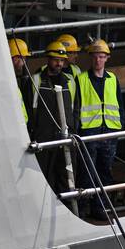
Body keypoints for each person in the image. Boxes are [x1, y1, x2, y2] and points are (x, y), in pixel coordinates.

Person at [76, 39, 125, 221]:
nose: (98, 60)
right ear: (91, 58)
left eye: (102, 57)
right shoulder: (81, 79)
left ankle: (99, 207)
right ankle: (81, 208)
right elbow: (77, 107)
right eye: (96, 57)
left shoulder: (112, 79)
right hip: (89, 132)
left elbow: (120, 105)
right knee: (86, 172)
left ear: (107, 58)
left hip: (109, 132)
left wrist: (121, 126)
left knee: (104, 172)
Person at [30, 40, 80, 200]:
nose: (59, 63)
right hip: (43, 138)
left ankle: (66, 213)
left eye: (61, 60)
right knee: (44, 179)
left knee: (66, 179)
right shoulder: (36, 80)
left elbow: (75, 108)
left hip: (65, 137)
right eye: (55, 60)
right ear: (48, 59)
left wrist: (73, 130)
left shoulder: (70, 81)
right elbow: (30, 110)